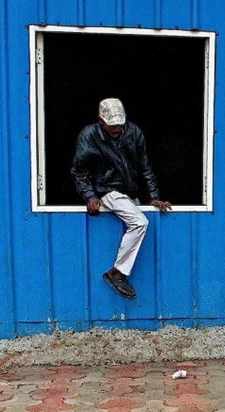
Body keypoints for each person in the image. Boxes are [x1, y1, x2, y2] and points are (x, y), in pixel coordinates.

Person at [71, 98, 172, 299]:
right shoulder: (89, 136)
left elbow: (145, 166)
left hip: (130, 192)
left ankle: (118, 272)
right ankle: (116, 273)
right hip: (106, 190)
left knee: (138, 223)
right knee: (139, 222)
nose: (117, 130)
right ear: (101, 121)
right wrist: (90, 195)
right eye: (112, 126)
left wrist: (153, 197)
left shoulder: (133, 132)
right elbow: (79, 171)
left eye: (119, 125)